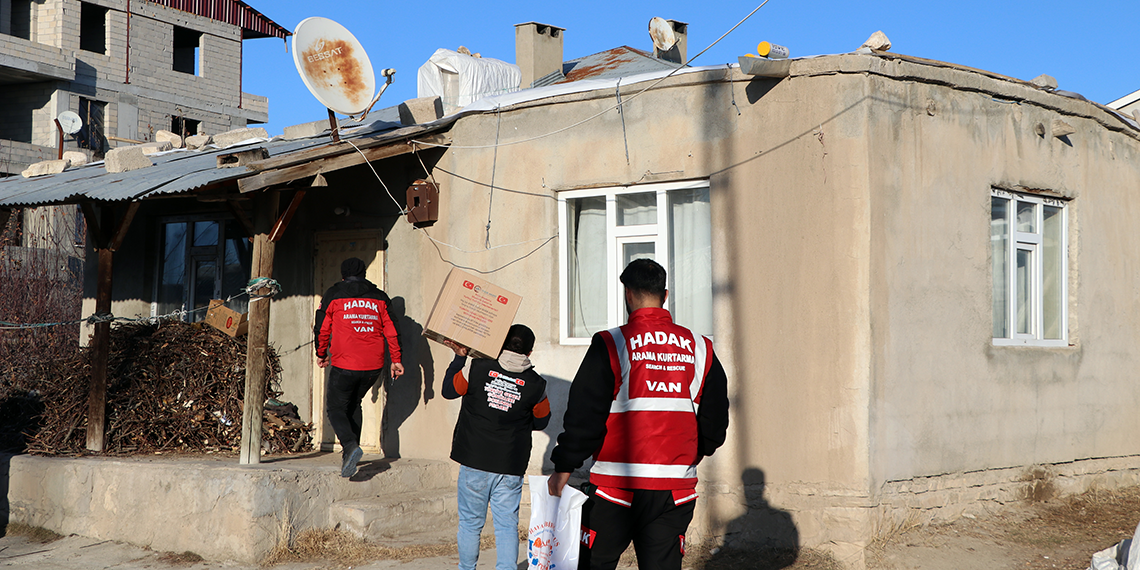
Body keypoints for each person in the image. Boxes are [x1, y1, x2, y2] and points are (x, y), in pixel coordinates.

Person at [547, 258, 730, 570]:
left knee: (595, 563)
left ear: (628, 294)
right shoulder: (701, 347)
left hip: (616, 488)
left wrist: (565, 465)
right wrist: (694, 453)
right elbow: (715, 421)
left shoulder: (612, 342)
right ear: (666, 295)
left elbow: (584, 414)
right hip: (675, 490)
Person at [442, 325, 551, 570]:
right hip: (510, 464)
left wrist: (460, 357)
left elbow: (449, 391)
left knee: (470, 524)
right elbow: (543, 420)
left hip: (474, 460)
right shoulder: (536, 385)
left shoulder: (476, 368)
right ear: (530, 352)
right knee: (506, 525)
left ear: (500, 343)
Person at [314, 257, 404, 478]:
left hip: (345, 364)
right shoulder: (380, 297)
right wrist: (396, 359)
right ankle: (350, 455)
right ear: (364, 274)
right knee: (355, 404)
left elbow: (322, 328)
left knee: (335, 409)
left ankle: (350, 446)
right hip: (373, 367)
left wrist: (321, 353)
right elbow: (392, 330)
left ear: (342, 275)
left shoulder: (334, 294)